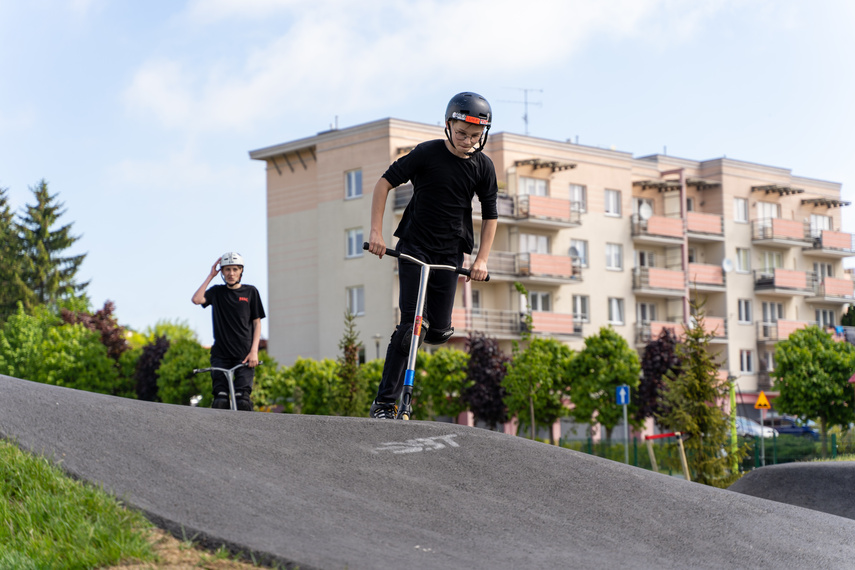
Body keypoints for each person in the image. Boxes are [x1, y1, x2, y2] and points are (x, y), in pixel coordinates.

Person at [366, 92, 498, 419]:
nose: (468, 141)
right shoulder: (427, 153)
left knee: (437, 331)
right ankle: (386, 403)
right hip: (415, 246)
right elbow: (384, 184)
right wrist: (376, 233)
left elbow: (491, 215)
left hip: (451, 252)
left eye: (475, 136)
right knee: (411, 326)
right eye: (462, 133)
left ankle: (432, 328)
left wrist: (481, 260)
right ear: (448, 125)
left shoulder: (483, 167)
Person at [192, 252, 265, 411]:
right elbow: (197, 299)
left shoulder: (250, 292)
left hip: (244, 355)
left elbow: (257, 323)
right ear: (222, 272)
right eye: (227, 270)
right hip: (221, 355)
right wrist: (211, 275)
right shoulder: (217, 292)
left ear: (241, 271)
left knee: (242, 401)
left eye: (234, 269)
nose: (231, 273)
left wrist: (254, 352)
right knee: (221, 400)